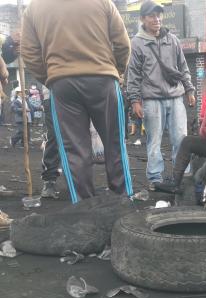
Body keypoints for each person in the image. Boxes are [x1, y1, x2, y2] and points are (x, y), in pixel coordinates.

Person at [21, 0, 133, 203]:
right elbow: (122, 43)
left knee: (75, 150)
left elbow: (29, 53)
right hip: (102, 78)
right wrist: (117, 71)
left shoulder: (34, 7)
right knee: (114, 143)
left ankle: (84, 207)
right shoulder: (103, 2)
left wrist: (49, 77)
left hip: (62, 83)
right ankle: (122, 201)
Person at [127, 0, 196, 190]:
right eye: (151, 16)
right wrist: (135, 101)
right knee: (154, 141)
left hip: (176, 98)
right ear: (142, 19)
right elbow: (133, 75)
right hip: (151, 100)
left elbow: (183, 67)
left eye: (159, 15)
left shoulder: (172, 39)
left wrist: (189, 90)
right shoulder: (137, 43)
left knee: (181, 140)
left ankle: (182, 176)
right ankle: (155, 178)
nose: (157, 19)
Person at [40, 85, 61, 198]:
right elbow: (36, 66)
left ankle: (81, 182)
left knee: (79, 136)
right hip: (53, 93)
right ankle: (49, 182)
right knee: (54, 137)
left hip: (79, 91)